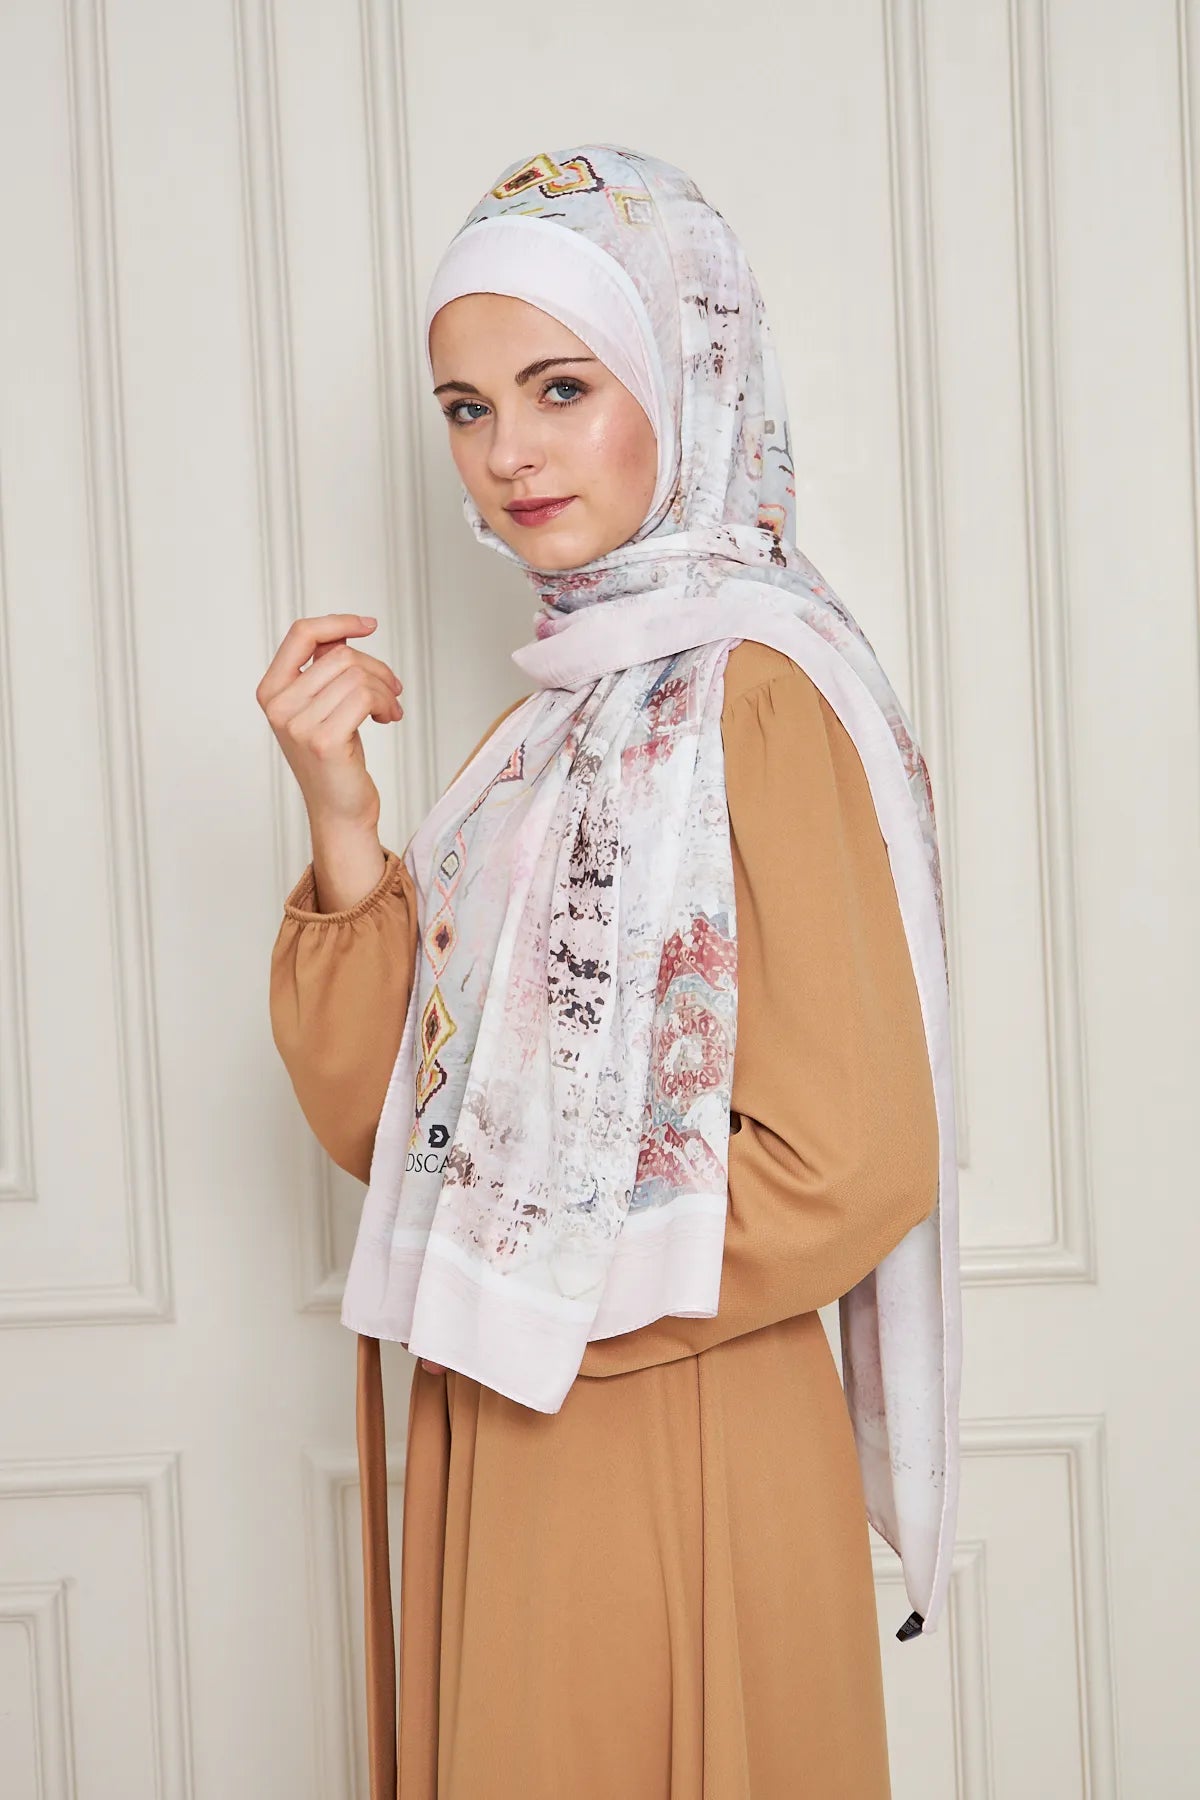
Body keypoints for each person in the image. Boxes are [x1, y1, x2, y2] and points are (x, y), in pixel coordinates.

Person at [261, 144, 960, 1799]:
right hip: (509, 1420)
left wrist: (529, 1280)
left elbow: (858, 1156)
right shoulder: (549, 729)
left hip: (679, 1439)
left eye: (559, 388)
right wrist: (345, 820)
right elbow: (389, 1130)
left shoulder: (760, 696)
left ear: (689, 382)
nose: (506, 452)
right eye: (466, 407)